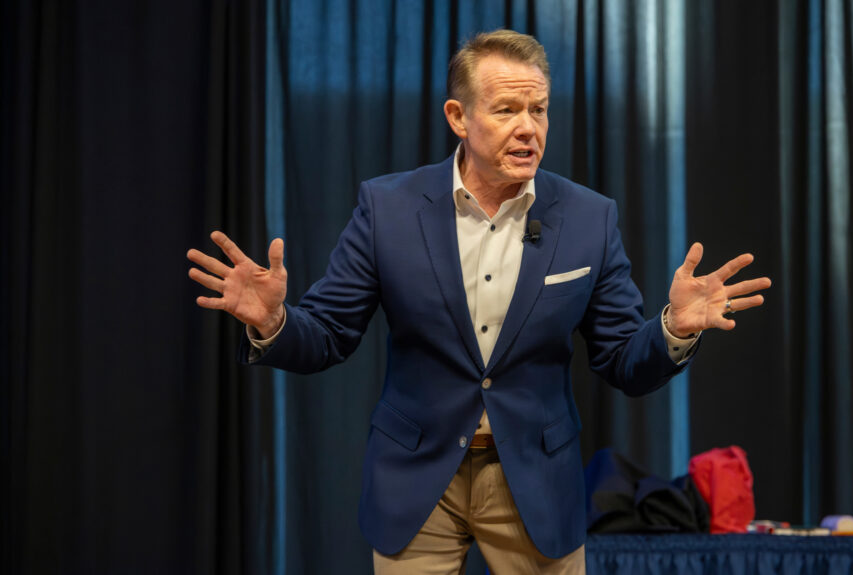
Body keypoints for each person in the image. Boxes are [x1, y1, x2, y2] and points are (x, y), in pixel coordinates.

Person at [187, 29, 770, 574]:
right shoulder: (388, 208)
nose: (528, 129)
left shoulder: (590, 218)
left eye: (538, 110)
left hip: (536, 479)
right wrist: (274, 322)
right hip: (417, 475)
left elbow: (623, 359)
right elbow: (331, 334)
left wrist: (673, 328)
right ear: (458, 118)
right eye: (507, 110)